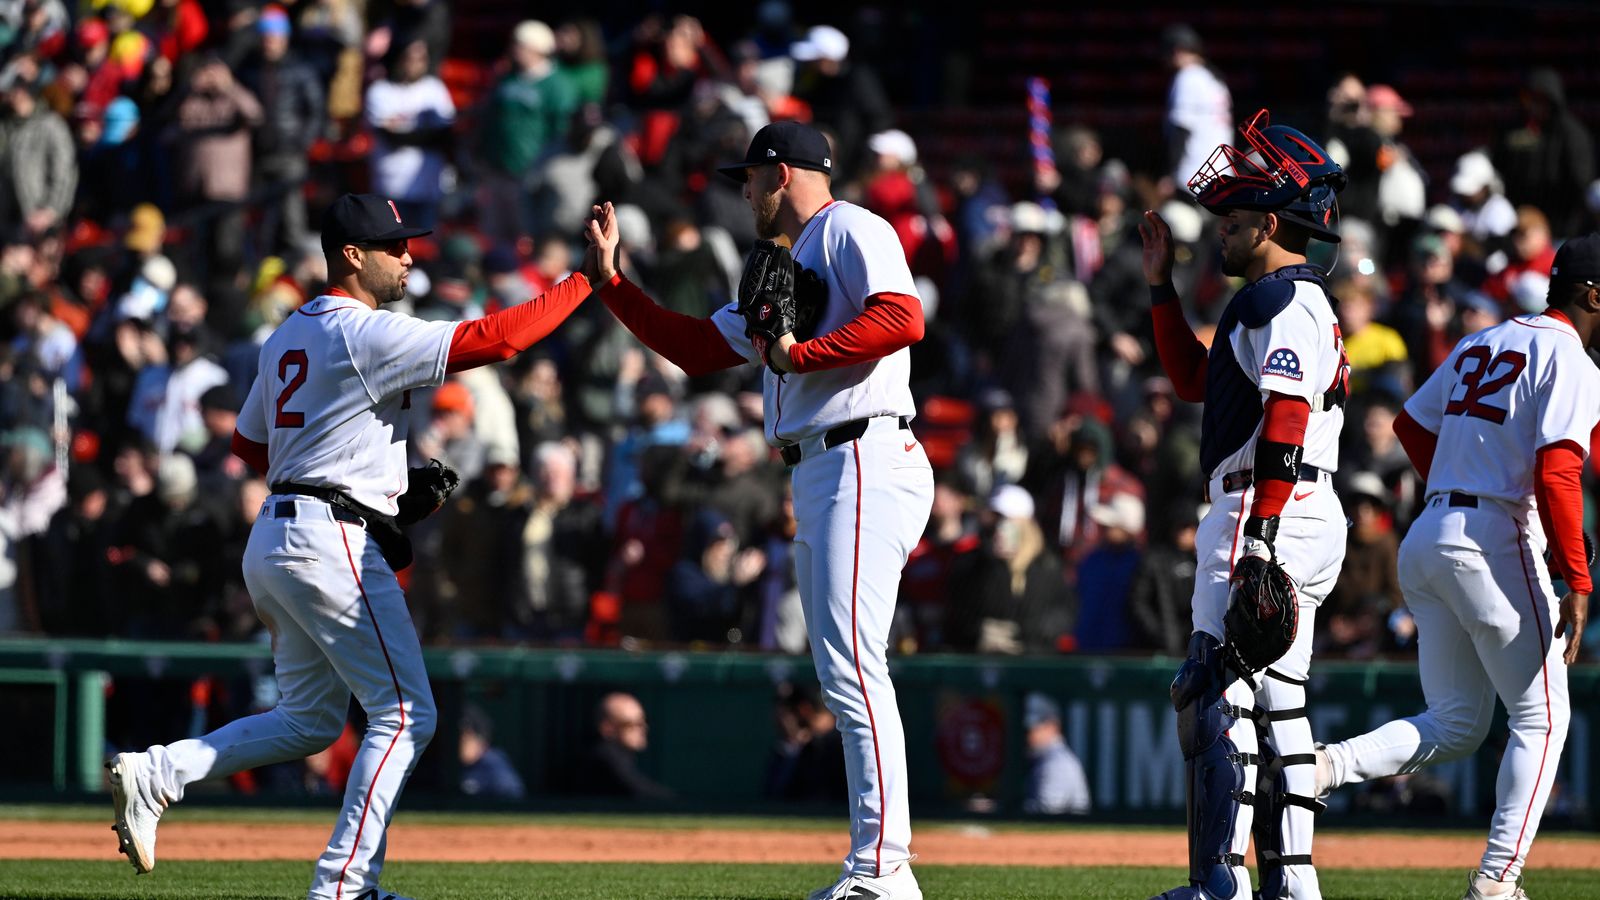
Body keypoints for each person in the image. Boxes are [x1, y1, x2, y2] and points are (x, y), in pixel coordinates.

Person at [106, 193, 597, 900]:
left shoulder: (287, 333)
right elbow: (497, 340)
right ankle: (344, 886)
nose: (408, 254)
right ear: (351, 255)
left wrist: (372, 474)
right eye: (393, 245)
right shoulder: (365, 330)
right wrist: (584, 280)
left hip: (280, 535)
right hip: (330, 537)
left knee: (309, 720)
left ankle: (161, 772)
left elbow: (249, 442)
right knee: (406, 715)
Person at [587, 119, 932, 900]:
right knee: (842, 670)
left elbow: (903, 317)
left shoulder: (850, 226)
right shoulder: (782, 259)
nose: (742, 191)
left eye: (747, 177)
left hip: (862, 452)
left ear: (780, 173)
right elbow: (695, 348)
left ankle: (884, 869)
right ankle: (881, 866)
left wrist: (799, 355)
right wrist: (611, 284)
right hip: (822, 466)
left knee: (853, 670)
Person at [1315, 233, 1600, 900]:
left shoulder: (1483, 340)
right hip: (1493, 535)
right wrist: (1578, 580)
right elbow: (1559, 472)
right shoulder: (1574, 361)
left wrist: (1452, 485)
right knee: (1544, 719)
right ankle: (1498, 882)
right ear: (1593, 295)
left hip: (1432, 532)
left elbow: (1411, 427)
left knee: (1456, 722)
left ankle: (1323, 768)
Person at [1140, 108, 1350, 900]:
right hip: (1300, 508)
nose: (1219, 233)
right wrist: (1160, 287)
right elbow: (1196, 383)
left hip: (1268, 507)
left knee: (1212, 692)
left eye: (1231, 221)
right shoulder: (1284, 299)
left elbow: (1288, 418)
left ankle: (1218, 882)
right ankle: (1292, 884)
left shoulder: (1278, 299)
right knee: (1279, 704)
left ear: (1268, 223)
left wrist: (1259, 534)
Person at [576, 691, 673, 799]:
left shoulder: (619, 755)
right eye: (632, 724)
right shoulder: (605, 756)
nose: (643, 729)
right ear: (607, 728)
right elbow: (635, 788)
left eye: (642, 723)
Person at [1021, 693, 1091, 815]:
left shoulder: (1058, 763)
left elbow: (1047, 811)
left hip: (1069, 832)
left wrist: (1001, 809)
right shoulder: (1041, 758)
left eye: (1032, 728)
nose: (1027, 735)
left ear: (1052, 726)